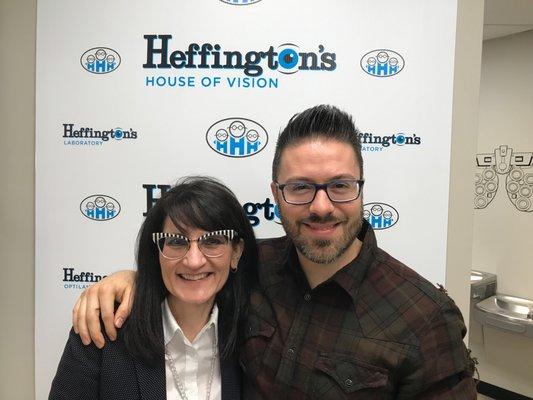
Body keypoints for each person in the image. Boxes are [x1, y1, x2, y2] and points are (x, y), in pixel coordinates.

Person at [72, 105, 477, 398]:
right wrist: (132, 280)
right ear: (276, 195)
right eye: (300, 187)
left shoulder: (423, 317)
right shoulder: (251, 265)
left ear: (361, 188)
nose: (321, 206)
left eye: (339, 185)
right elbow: (192, 268)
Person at [50, 176, 258, 400]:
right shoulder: (105, 330)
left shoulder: (254, 335)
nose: (194, 260)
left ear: (236, 252)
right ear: (157, 253)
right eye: (177, 242)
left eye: (212, 241)